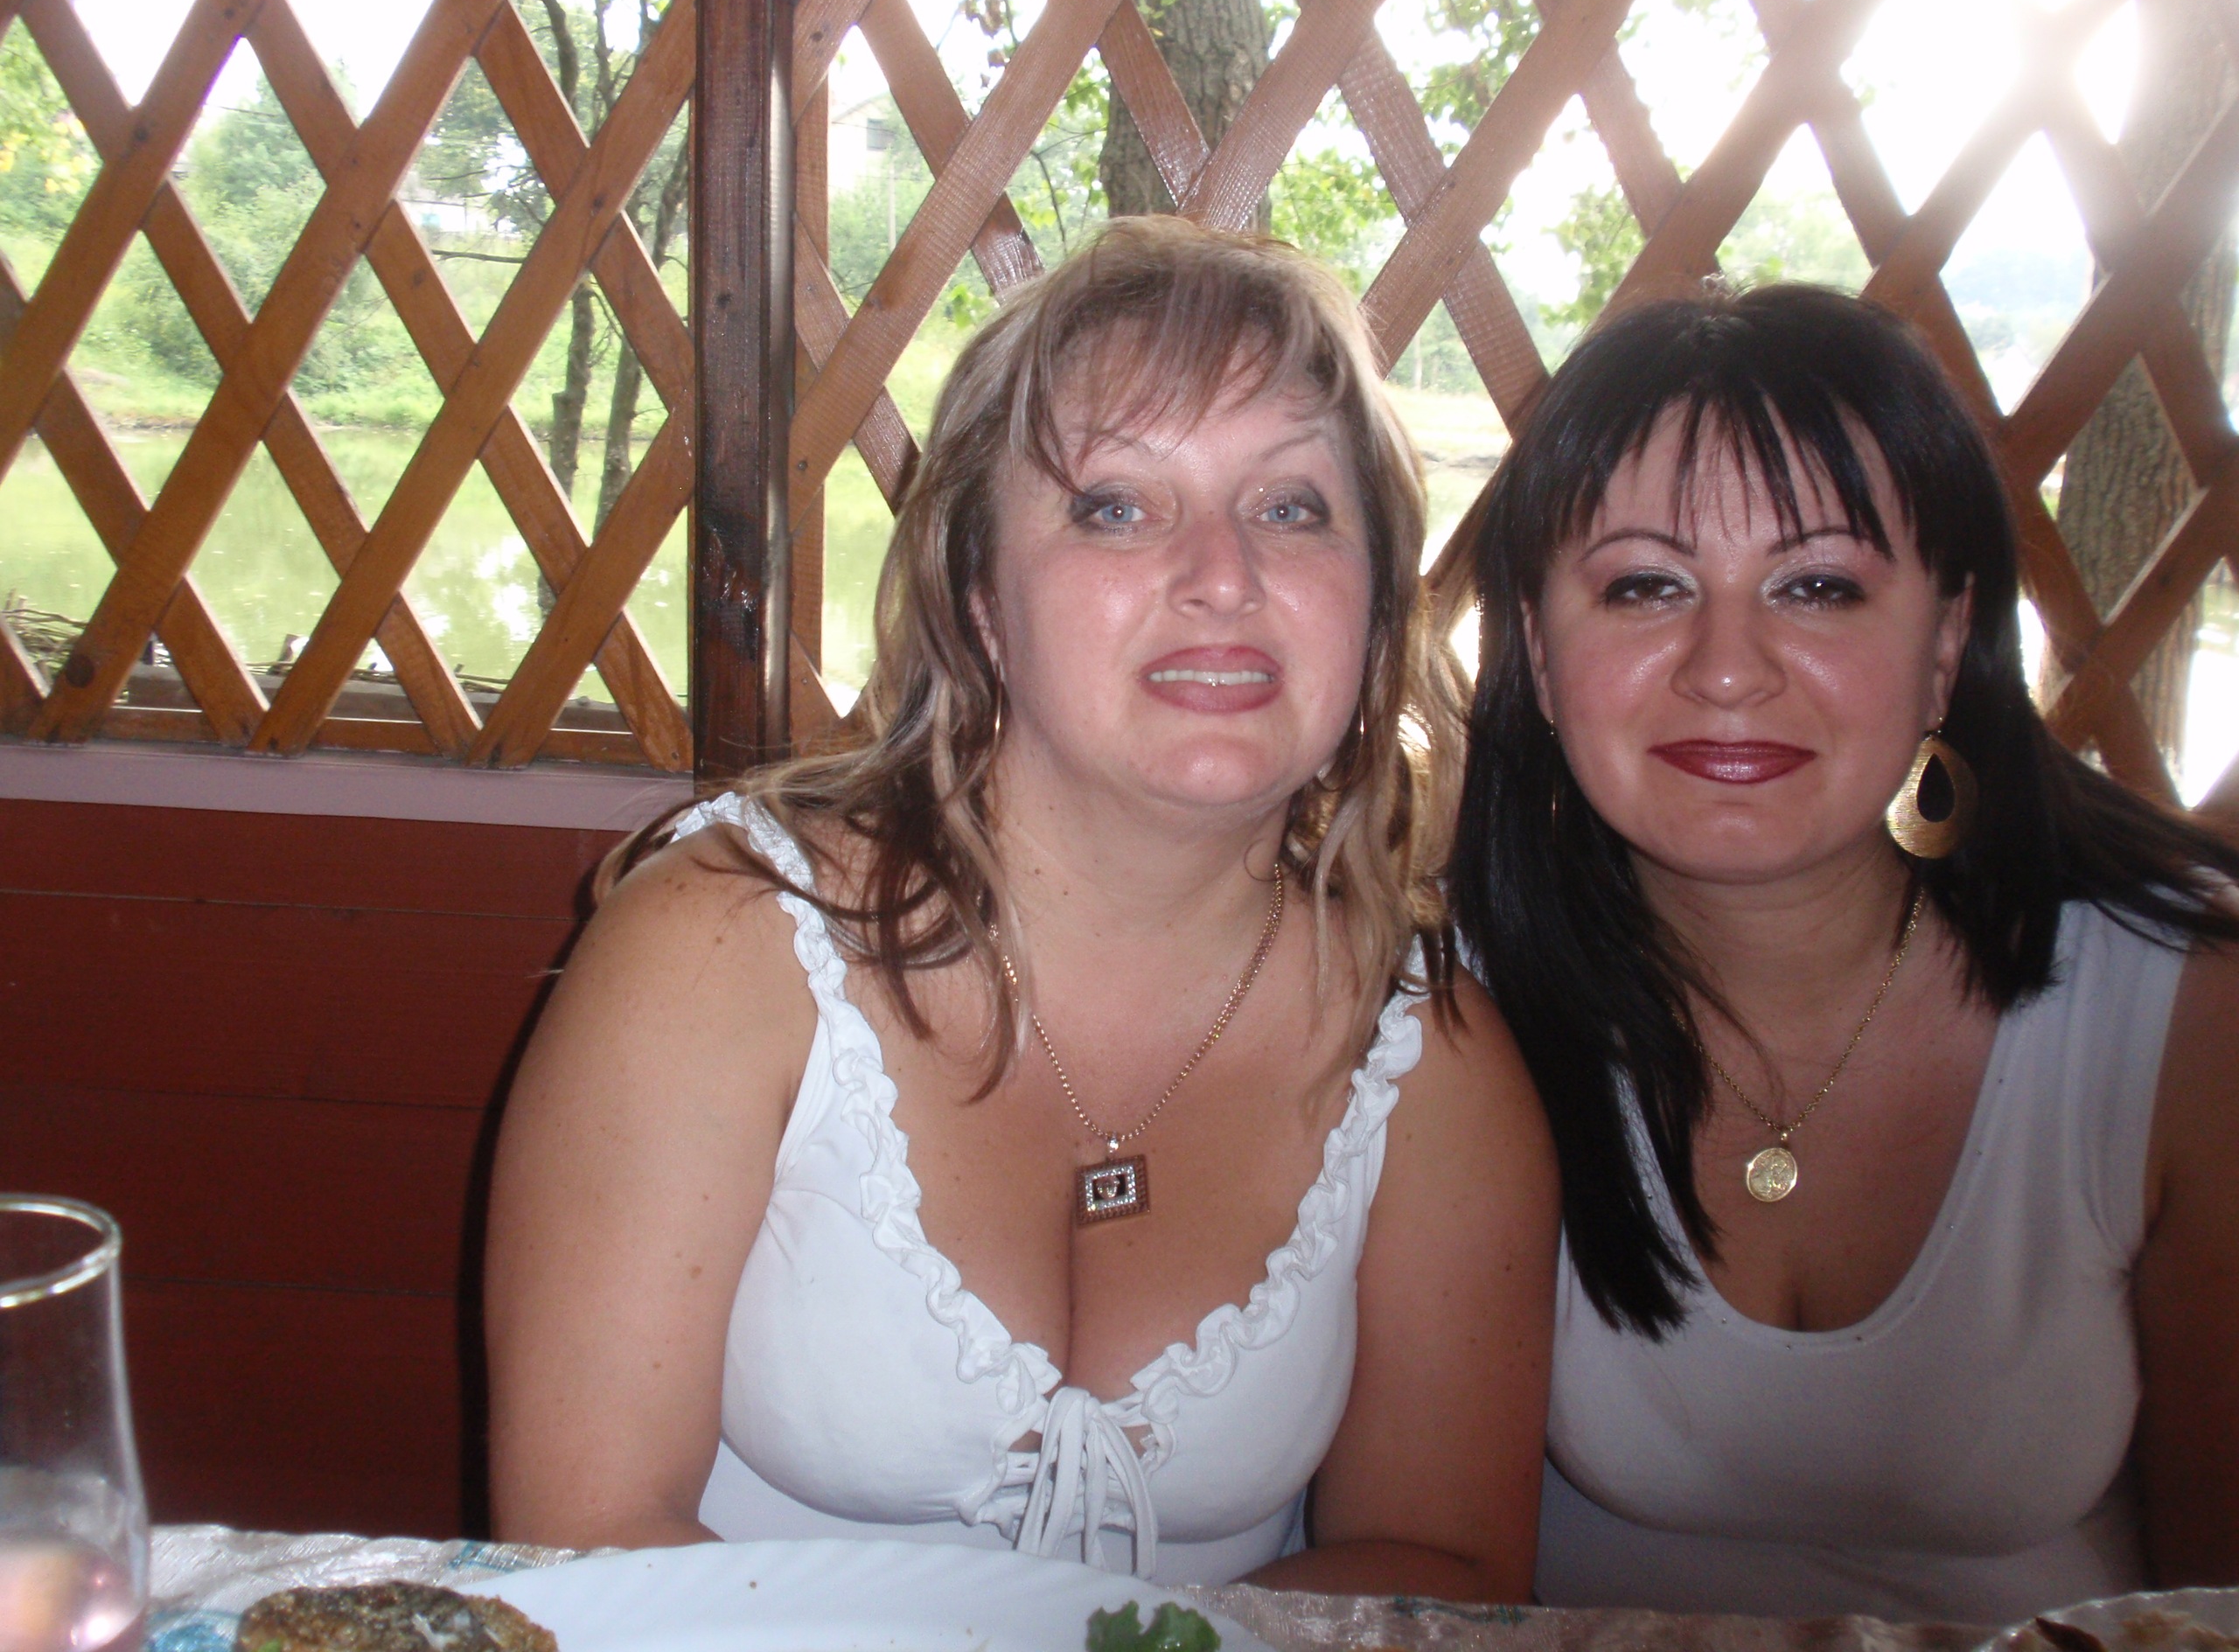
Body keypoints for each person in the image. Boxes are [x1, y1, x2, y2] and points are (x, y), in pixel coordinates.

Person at [484, 217, 1558, 1598]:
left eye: (1292, 508)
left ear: (1375, 603)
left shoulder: (1432, 1059)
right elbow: (581, 1545)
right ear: (980, 598)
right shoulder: (720, 945)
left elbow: (1442, 1570)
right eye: (1116, 505)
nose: (1224, 577)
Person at [1449, 283, 2239, 1622]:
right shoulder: (1450, 1006)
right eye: (1646, 586)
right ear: (1534, 641)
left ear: (1945, 644)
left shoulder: (2181, 1011)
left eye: (1817, 587)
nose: (1727, 667)